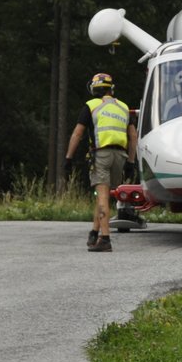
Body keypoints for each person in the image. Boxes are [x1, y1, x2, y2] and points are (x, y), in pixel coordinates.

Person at [65, 72, 136, 252]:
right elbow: (133, 136)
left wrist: (68, 158)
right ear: (111, 89)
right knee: (104, 195)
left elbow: (77, 134)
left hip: (101, 155)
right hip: (120, 156)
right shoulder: (124, 107)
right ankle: (94, 232)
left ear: (94, 90)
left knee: (102, 195)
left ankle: (105, 239)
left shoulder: (91, 106)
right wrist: (131, 162)